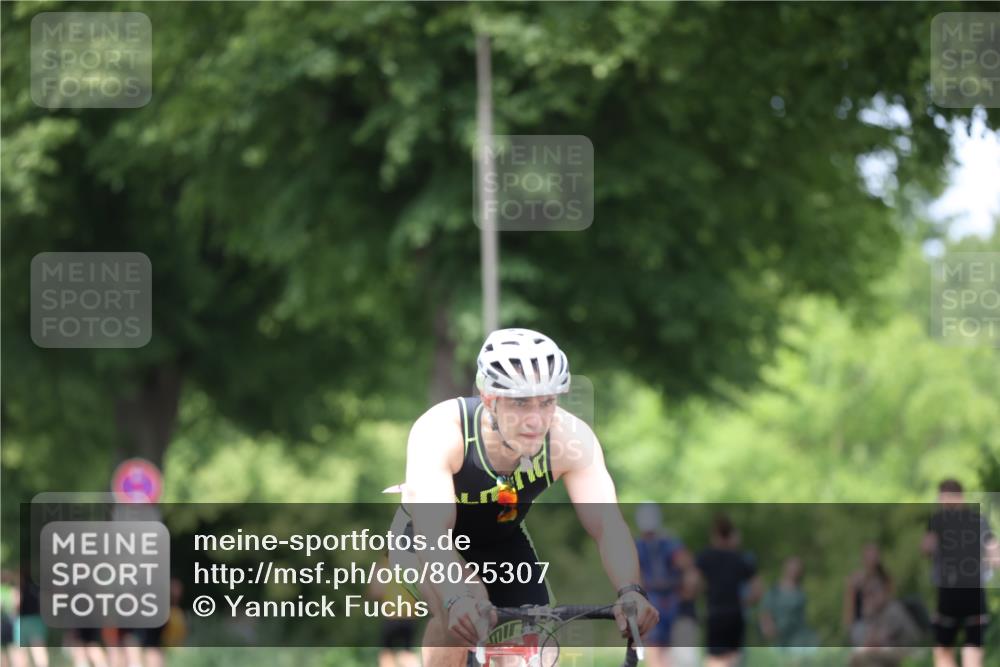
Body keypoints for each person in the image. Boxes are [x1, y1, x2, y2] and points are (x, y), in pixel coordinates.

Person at [391, 328, 659, 667]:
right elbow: (433, 533)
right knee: (465, 610)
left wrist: (630, 591)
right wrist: (454, 597)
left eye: (547, 402)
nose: (536, 420)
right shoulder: (443, 430)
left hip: (502, 539)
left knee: (538, 649)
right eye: (520, 403)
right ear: (490, 399)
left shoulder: (570, 438)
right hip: (426, 540)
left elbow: (607, 524)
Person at [921, 479, 999, 667]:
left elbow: (926, 548)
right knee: (971, 647)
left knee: (944, 649)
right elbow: (994, 551)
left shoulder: (938, 521)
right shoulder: (978, 520)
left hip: (951, 593)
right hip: (972, 591)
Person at [634, 503, 699, 667]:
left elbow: (688, 569)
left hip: (670, 601)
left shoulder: (667, 544)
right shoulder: (647, 545)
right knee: (656, 648)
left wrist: (687, 592)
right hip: (656, 600)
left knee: (667, 650)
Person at [695, 515, 762, 667]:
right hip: (735, 614)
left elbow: (692, 584)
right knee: (734, 658)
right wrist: (744, 602)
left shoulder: (705, 557)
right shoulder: (741, 558)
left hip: (716, 613)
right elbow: (758, 590)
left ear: (715, 535)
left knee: (715, 659)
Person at [848, 566, 922, 667]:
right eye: (866, 595)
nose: (869, 598)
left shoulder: (893, 609)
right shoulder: (876, 613)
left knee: (862, 657)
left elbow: (879, 640)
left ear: (883, 591)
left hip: (910, 653)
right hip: (891, 654)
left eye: (872, 592)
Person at [368, 555, 419, 667]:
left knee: (386, 654)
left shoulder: (384, 564)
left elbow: (375, 592)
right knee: (407, 653)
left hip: (391, 616)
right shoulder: (413, 563)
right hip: (410, 616)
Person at [759, 556, 817, 651]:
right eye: (792, 567)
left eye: (797, 568)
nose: (794, 571)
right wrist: (767, 627)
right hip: (779, 639)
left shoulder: (801, 593)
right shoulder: (774, 591)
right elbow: (765, 613)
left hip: (798, 640)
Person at [843, 543, 892, 641]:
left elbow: (889, 601)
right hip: (862, 623)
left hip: (881, 620)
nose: (872, 560)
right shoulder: (856, 580)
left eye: (874, 556)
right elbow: (849, 607)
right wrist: (849, 627)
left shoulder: (884, 578)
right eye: (869, 557)